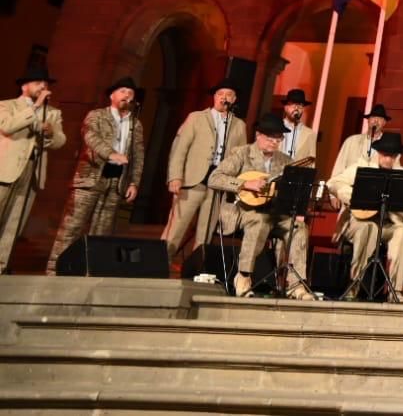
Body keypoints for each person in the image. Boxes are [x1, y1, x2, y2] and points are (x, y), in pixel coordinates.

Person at [47, 77, 145, 274]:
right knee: (72, 227)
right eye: (123, 91)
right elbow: (91, 138)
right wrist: (111, 154)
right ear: (112, 95)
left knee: (102, 230)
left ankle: (91, 270)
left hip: (116, 181)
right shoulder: (97, 116)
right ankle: (56, 269)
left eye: (130, 92)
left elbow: (138, 154)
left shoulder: (136, 124)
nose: (127, 95)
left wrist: (134, 182)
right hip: (90, 178)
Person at [207, 115, 313, 299]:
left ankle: (295, 284)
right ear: (258, 135)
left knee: (298, 227)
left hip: (273, 212)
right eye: (270, 138)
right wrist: (244, 184)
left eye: (278, 139)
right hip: (242, 210)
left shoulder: (285, 160)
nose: (274, 142)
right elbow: (215, 178)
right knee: (260, 220)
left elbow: (289, 192)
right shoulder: (242, 153)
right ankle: (243, 277)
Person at [162, 81, 247, 262]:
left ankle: (196, 266)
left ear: (234, 99)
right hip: (193, 179)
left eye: (229, 94)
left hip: (218, 183)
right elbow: (180, 148)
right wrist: (175, 176)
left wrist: (235, 185)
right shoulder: (197, 117)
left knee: (206, 229)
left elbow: (241, 157)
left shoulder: (239, 125)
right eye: (220, 94)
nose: (224, 97)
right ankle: (162, 261)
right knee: (178, 224)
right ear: (214, 97)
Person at [326, 130, 403, 301]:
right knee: (369, 228)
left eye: (392, 156)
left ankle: (395, 290)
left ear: (397, 156)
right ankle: (355, 284)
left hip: (389, 224)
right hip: (360, 221)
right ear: (378, 153)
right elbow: (333, 183)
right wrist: (356, 197)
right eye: (384, 154)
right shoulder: (363, 168)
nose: (387, 159)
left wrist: (394, 202)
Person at [0, 57, 66, 273]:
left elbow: (60, 141)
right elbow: (8, 126)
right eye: (38, 82)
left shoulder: (53, 113)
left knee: (15, 221)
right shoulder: (7, 105)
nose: (43, 87)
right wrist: (35, 107)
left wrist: (50, 134)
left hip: (32, 170)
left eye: (45, 84)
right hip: (5, 169)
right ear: (25, 85)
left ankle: (1, 266)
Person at [331, 104, 390, 179]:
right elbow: (339, 167)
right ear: (368, 120)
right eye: (373, 117)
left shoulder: (389, 145)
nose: (376, 121)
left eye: (380, 118)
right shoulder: (351, 141)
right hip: (349, 187)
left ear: (384, 122)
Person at [278, 89, 316, 164]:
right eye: (293, 104)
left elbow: (311, 162)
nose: (296, 108)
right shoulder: (275, 128)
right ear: (285, 107)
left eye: (300, 105)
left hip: (296, 174)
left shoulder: (310, 134)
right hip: (274, 173)